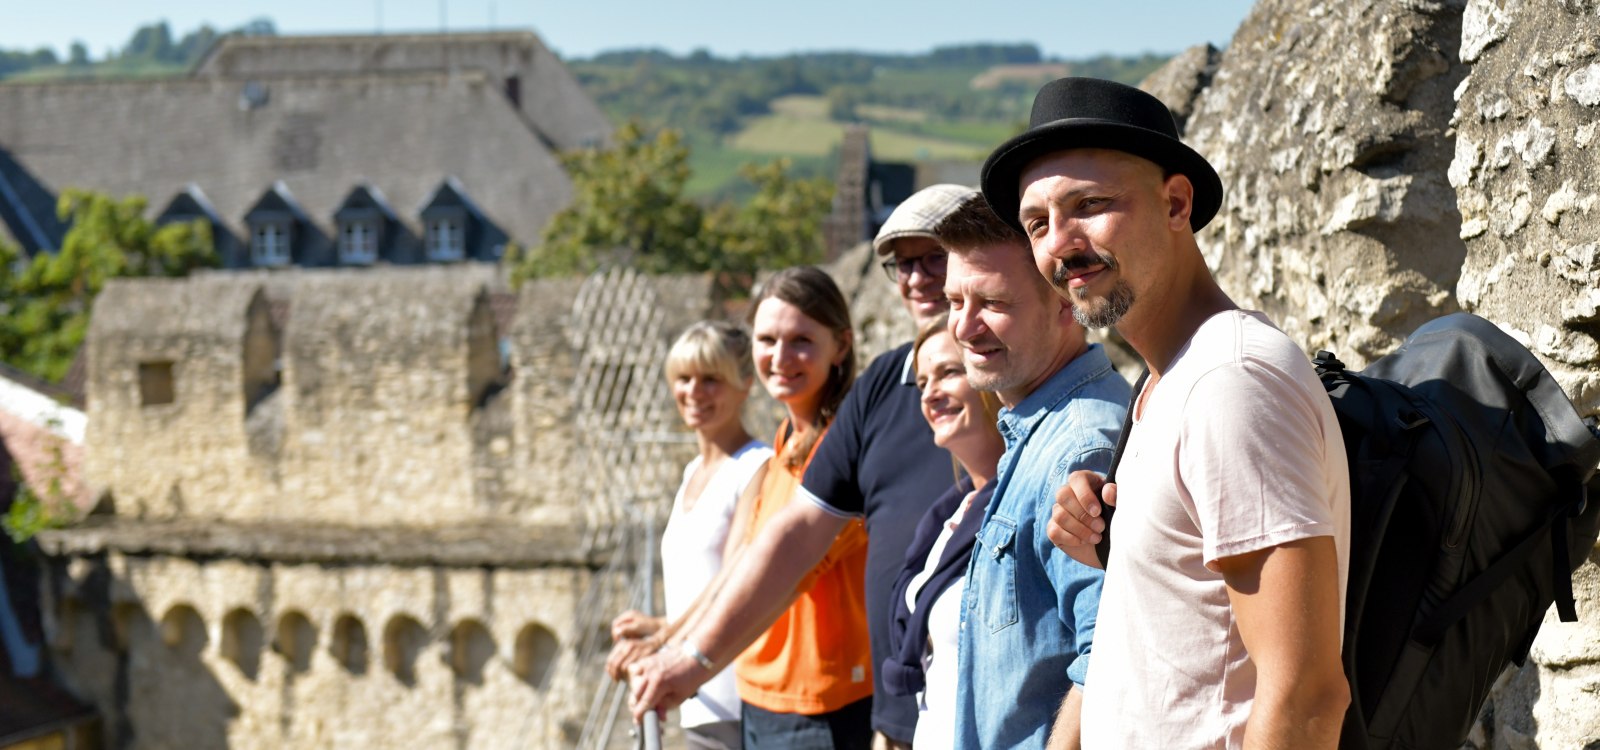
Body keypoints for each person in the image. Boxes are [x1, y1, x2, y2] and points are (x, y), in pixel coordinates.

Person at [983, 76, 1352, 748]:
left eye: (1089, 205)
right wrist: (1120, 543)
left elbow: (1305, 695)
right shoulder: (1167, 384)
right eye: (1038, 223)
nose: (1060, 244)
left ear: (1176, 203)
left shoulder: (1231, 382)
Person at [627, 186, 972, 750]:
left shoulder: (995, 392)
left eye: (935, 256)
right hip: (834, 704)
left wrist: (684, 655)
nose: (917, 278)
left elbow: (795, 566)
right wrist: (673, 643)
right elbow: (757, 559)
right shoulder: (845, 411)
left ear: (840, 346)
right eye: (903, 264)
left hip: (836, 701)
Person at [935, 193, 1128, 750]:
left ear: (1067, 300)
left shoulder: (1080, 446)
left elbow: (1110, 654)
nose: (965, 328)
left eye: (992, 303)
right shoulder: (1035, 428)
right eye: (954, 302)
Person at [605, 321, 773, 750]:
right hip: (697, 699)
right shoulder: (690, 474)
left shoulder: (758, 467)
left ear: (745, 385)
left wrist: (662, 642)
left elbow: (737, 583)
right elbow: (704, 585)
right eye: (684, 379)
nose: (694, 392)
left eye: (711, 379)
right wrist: (661, 626)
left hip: (737, 700)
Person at [879, 313, 1005, 750]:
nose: (930, 393)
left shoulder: (1022, 502)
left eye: (949, 372)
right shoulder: (947, 515)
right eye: (921, 381)